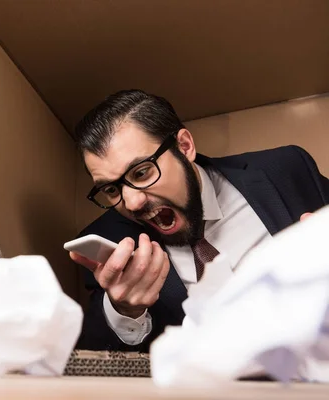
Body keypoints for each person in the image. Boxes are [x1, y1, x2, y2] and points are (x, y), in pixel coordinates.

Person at [70, 89, 329, 352]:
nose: (132, 203)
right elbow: (94, 355)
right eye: (112, 190)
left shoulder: (285, 170)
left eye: (142, 172)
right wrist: (124, 311)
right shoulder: (108, 242)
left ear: (184, 147)